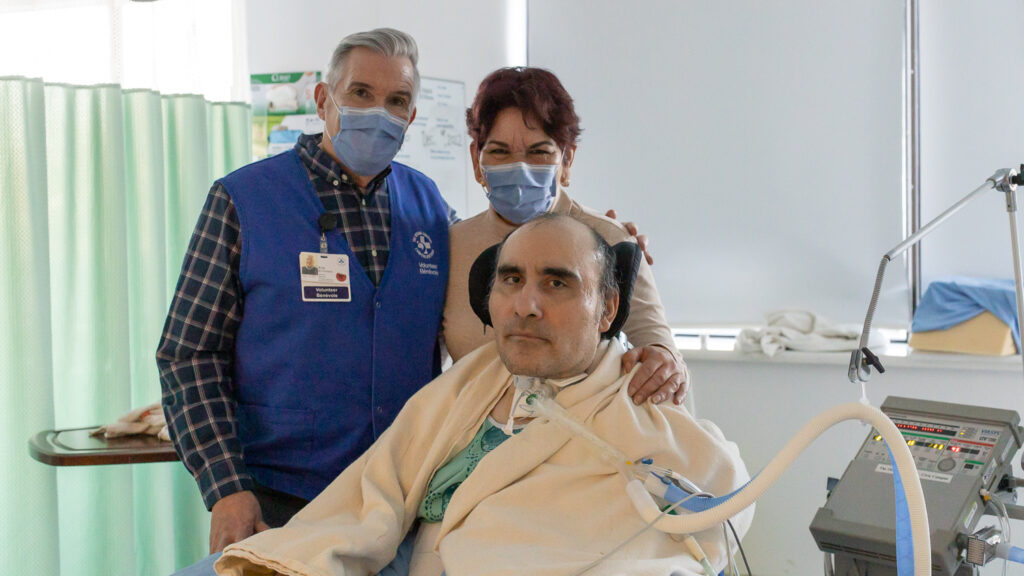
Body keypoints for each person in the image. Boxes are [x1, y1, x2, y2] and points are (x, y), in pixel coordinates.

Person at [212, 215, 752, 576]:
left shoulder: (638, 410)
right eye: (511, 281)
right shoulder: (471, 380)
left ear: (608, 310)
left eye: (558, 283)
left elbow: (723, 495)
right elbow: (372, 493)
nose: (526, 305)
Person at [157, 28, 456, 553]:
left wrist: (609, 244)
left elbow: (508, 276)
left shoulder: (428, 206)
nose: (378, 112)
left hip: (403, 498)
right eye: (361, 93)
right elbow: (189, 355)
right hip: (281, 500)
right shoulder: (243, 201)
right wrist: (226, 487)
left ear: (411, 118)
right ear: (324, 99)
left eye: (397, 101)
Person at [443, 67, 688, 407]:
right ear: (476, 160)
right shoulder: (450, 248)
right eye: (499, 152)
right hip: (471, 440)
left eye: (539, 152)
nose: (521, 167)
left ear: (567, 159)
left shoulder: (609, 240)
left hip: (581, 445)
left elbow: (660, 352)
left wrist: (663, 365)